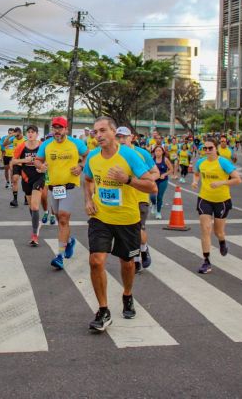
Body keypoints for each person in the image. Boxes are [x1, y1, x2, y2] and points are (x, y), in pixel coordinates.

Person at [83, 117, 156, 331]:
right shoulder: (93, 157)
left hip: (127, 219)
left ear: (114, 132)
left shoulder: (130, 156)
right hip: (100, 217)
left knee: (127, 263)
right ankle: (103, 310)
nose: (98, 135)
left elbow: (151, 186)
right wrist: (88, 200)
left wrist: (127, 180)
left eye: (103, 130)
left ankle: (127, 294)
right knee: (96, 261)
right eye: (95, 132)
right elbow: (87, 180)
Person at [34, 117, 88, 270]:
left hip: (70, 186)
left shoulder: (76, 143)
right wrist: (41, 166)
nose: (57, 131)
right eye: (54, 128)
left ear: (66, 129)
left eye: (60, 128)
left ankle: (59, 256)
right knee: (59, 219)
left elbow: (87, 155)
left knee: (63, 218)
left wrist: (81, 166)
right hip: (54, 188)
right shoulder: (46, 144)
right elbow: (38, 160)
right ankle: (69, 241)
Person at [191, 137, 242, 274]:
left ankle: (222, 242)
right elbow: (196, 174)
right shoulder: (201, 162)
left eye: (210, 148)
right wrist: (195, 181)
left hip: (222, 200)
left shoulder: (223, 162)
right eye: (205, 148)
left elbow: (238, 179)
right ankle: (206, 261)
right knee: (205, 228)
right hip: (204, 198)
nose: (207, 151)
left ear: (216, 149)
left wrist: (221, 183)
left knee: (218, 231)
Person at [117, 129, 158, 273]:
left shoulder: (142, 153)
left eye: (125, 137)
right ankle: (139, 254)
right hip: (121, 198)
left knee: (138, 228)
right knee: (128, 231)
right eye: (119, 137)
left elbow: (156, 172)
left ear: (132, 137)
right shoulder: (113, 154)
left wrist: (144, 180)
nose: (122, 140)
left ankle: (140, 253)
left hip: (140, 196)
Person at [10, 125, 47, 246]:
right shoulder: (22, 146)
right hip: (26, 178)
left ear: (37, 134)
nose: (31, 134)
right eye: (29, 132)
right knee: (31, 207)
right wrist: (24, 161)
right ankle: (37, 223)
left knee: (35, 207)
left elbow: (49, 160)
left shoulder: (42, 145)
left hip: (39, 177)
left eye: (33, 132)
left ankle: (34, 235)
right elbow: (13, 161)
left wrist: (43, 167)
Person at [149, 145, 174, 220]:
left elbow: (171, 169)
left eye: (159, 151)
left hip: (163, 180)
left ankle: (158, 212)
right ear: (154, 152)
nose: (158, 152)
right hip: (153, 180)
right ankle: (153, 204)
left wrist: (164, 174)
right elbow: (147, 169)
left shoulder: (165, 159)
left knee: (159, 196)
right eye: (156, 151)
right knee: (152, 196)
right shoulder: (151, 160)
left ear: (162, 152)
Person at [5, 127, 25, 207]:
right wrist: (10, 136)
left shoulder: (25, 140)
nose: (16, 136)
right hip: (16, 162)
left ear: (20, 133)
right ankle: (15, 199)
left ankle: (26, 197)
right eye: (15, 135)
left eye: (17, 135)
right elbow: (5, 144)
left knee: (25, 182)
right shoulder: (14, 139)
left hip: (24, 162)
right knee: (15, 179)